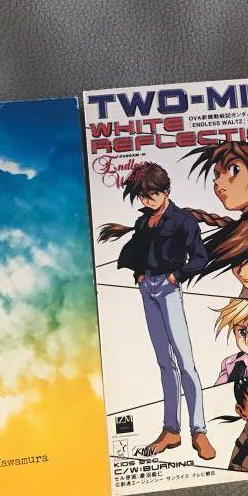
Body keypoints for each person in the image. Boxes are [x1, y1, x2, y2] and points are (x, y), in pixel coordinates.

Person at [96, 162, 216, 460]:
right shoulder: (142, 222)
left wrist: (176, 276)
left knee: (186, 363)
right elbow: (138, 252)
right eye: (142, 196)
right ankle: (171, 430)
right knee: (165, 362)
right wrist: (139, 275)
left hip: (169, 289)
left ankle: (199, 431)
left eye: (151, 195)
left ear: (166, 191)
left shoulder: (183, 220)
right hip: (147, 288)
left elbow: (200, 257)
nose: (146, 200)